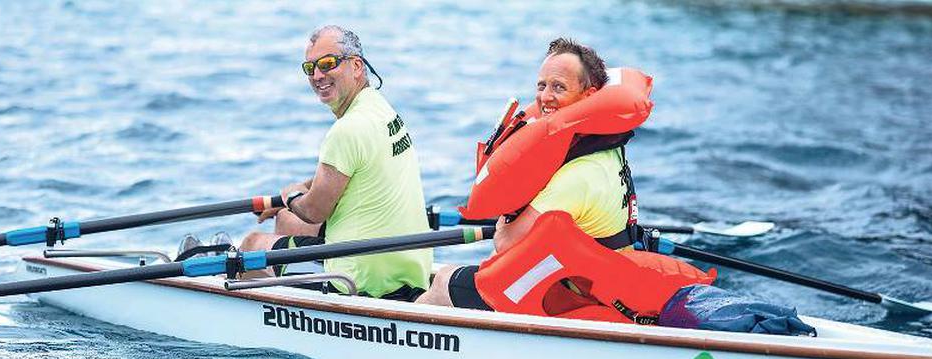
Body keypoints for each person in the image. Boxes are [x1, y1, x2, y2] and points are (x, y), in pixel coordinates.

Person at [417, 38, 636, 310]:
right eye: (542, 85)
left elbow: (505, 242)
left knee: (443, 282)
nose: (545, 97)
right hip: (592, 282)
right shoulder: (609, 150)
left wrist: (507, 215)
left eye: (559, 87)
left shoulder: (580, 176)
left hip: (572, 297)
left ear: (589, 96)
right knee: (457, 277)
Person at [241, 25, 432, 301]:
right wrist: (287, 202)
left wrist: (291, 195)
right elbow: (352, 170)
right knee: (286, 218)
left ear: (356, 66)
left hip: (359, 280)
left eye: (328, 63)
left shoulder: (346, 131)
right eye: (310, 68)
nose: (318, 75)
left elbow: (314, 210)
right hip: (405, 266)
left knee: (251, 246)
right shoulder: (381, 110)